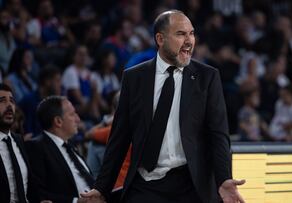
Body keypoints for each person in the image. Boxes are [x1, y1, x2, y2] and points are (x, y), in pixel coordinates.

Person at [82, 10, 245, 203]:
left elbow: (218, 135)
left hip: (190, 183)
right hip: (146, 184)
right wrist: (101, 188)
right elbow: (119, 138)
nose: (189, 41)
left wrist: (224, 178)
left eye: (191, 33)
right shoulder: (134, 78)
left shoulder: (207, 77)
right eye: (180, 34)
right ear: (160, 39)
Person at [24, 96, 95, 203]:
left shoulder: (70, 146)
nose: (78, 119)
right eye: (72, 114)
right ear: (58, 121)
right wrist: (77, 201)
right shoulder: (36, 147)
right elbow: (38, 193)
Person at [0, 83, 39, 203]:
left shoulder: (19, 140)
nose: (9, 105)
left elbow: (30, 187)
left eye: (12, 101)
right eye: (2, 101)